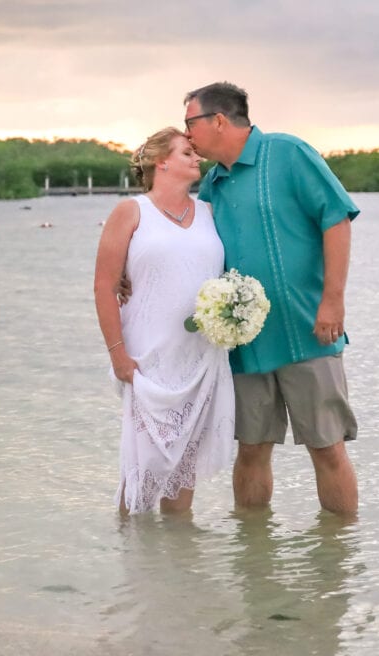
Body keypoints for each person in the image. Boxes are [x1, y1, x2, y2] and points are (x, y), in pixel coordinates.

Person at [182, 82, 360, 517]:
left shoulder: (289, 153)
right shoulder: (212, 185)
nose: (187, 135)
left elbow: (336, 219)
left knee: (327, 448)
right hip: (245, 341)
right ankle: (255, 565)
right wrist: (128, 277)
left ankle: (337, 564)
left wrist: (333, 301)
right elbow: (183, 243)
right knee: (251, 448)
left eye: (191, 124)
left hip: (307, 329)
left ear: (218, 120)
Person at [93, 127, 235, 515]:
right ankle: (131, 561)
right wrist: (118, 356)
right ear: (163, 162)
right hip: (148, 357)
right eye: (187, 152)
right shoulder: (131, 211)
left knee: (182, 471)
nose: (197, 158)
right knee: (142, 470)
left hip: (201, 356)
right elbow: (105, 287)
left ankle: (177, 564)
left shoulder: (208, 211)